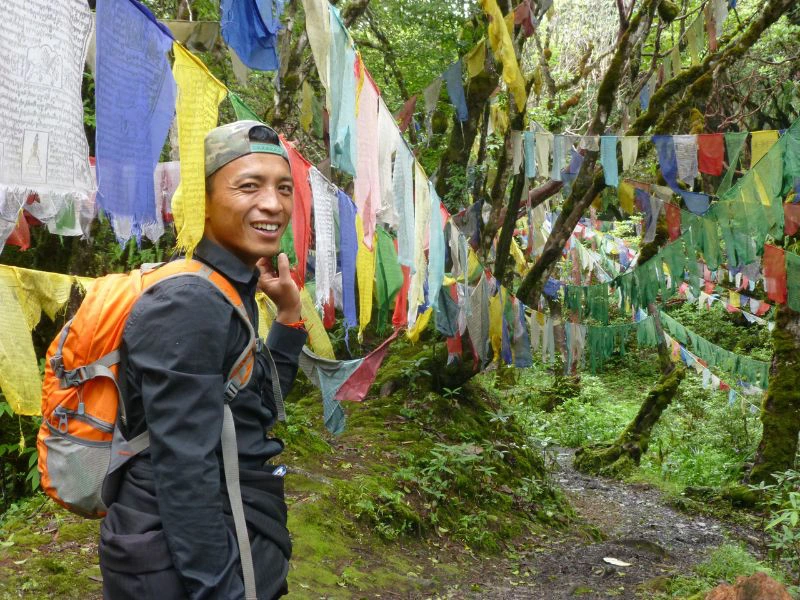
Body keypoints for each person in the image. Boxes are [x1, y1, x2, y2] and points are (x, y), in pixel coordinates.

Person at [98, 120, 306, 599]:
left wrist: (289, 317)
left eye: (284, 188)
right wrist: (221, 591)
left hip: (232, 534)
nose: (273, 204)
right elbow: (184, 473)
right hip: (176, 565)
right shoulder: (189, 303)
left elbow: (254, 408)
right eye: (249, 186)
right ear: (205, 201)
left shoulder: (227, 289)